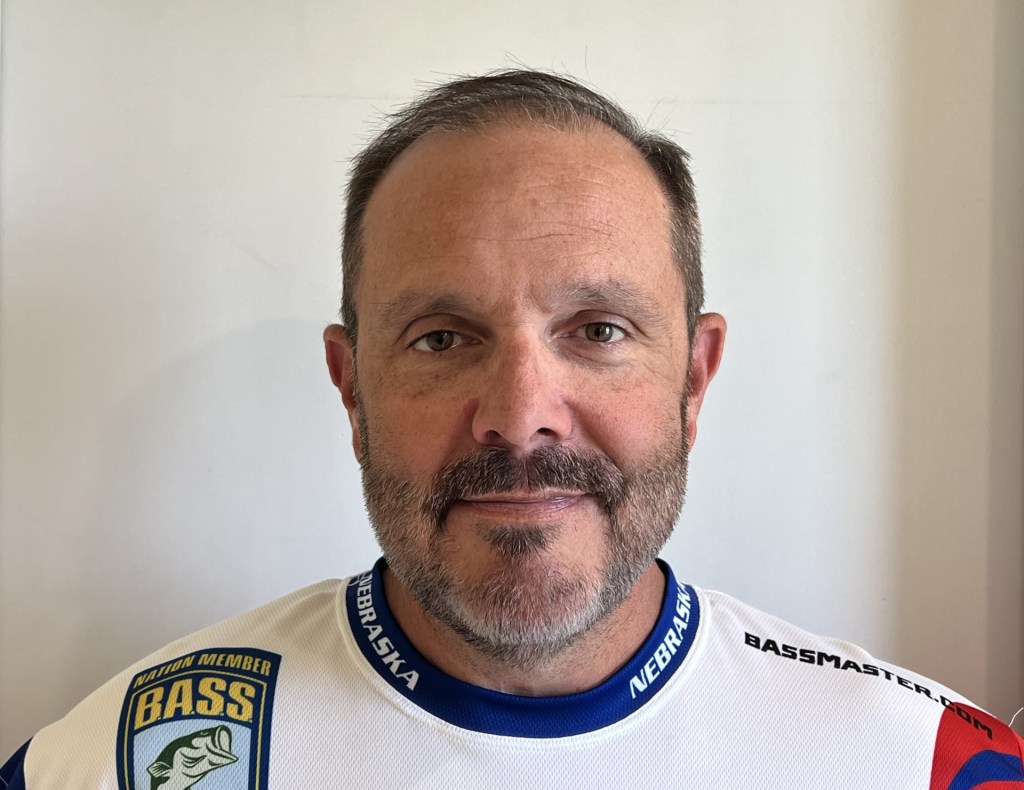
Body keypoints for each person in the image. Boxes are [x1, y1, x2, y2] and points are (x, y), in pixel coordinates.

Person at [2, 69, 1021, 790]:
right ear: (351, 390)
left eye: (598, 330)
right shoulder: (127, 761)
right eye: (442, 338)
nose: (520, 414)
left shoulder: (925, 764)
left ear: (694, 378)